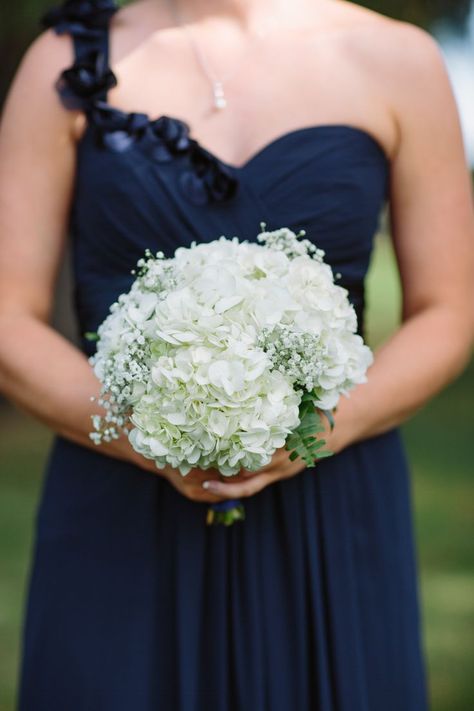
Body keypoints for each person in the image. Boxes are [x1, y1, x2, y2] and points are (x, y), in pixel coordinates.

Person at [0, 0, 473, 708]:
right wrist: (145, 437)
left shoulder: (398, 59)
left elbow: (449, 310)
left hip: (331, 507)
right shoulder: (66, 64)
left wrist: (318, 428)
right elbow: (8, 316)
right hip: (119, 512)